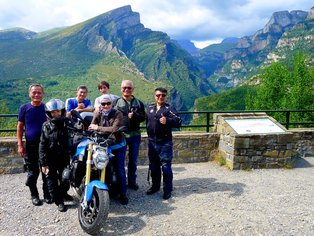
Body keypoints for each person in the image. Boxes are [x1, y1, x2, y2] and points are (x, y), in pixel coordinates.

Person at [89, 95, 129, 205]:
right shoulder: (98, 113)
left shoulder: (117, 114)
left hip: (117, 145)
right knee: (102, 168)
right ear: (100, 105)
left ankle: (123, 194)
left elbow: (115, 129)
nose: (106, 105)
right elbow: (91, 126)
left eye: (108, 103)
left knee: (119, 169)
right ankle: (106, 193)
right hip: (103, 145)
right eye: (103, 104)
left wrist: (98, 128)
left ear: (112, 104)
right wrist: (92, 128)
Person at [17, 83, 50, 206]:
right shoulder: (24, 108)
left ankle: (47, 194)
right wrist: (20, 145)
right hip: (31, 146)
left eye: (39, 92)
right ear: (29, 94)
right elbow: (20, 127)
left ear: (43, 94)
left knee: (46, 171)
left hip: (45, 146)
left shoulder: (46, 108)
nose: (36, 94)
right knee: (33, 172)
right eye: (34, 92)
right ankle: (34, 195)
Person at [146, 87, 182, 200]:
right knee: (154, 166)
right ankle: (155, 187)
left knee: (166, 167)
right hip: (152, 142)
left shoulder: (169, 108)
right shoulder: (150, 108)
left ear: (166, 96)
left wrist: (168, 121)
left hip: (165, 143)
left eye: (163, 95)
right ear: (154, 96)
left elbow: (179, 122)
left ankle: (167, 190)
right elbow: (146, 121)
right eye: (158, 95)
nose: (160, 97)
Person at [39, 99, 72, 212]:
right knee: (51, 181)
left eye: (58, 111)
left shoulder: (67, 123)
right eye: (53, 112)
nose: (56, 114)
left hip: (64, 157)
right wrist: (43, 162)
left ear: (62, 111)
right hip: (50, 158)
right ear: (49, 113)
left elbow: (75, 134)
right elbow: (42, 144)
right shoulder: (45, 126)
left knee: (65, 178)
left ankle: (64, 194)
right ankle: (59, 201)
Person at [113, 80, 145, 191]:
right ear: (121, 89)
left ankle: (132, 182)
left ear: (132, 89)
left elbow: (143, 117)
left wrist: (135, 116)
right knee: (120, 161)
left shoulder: (138, 103)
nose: (127, 90)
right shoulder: (116, 102)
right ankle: (120, 183)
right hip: (121, 136)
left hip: (135, 135)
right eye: (124, 87)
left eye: (129, 88)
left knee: (133, 160)